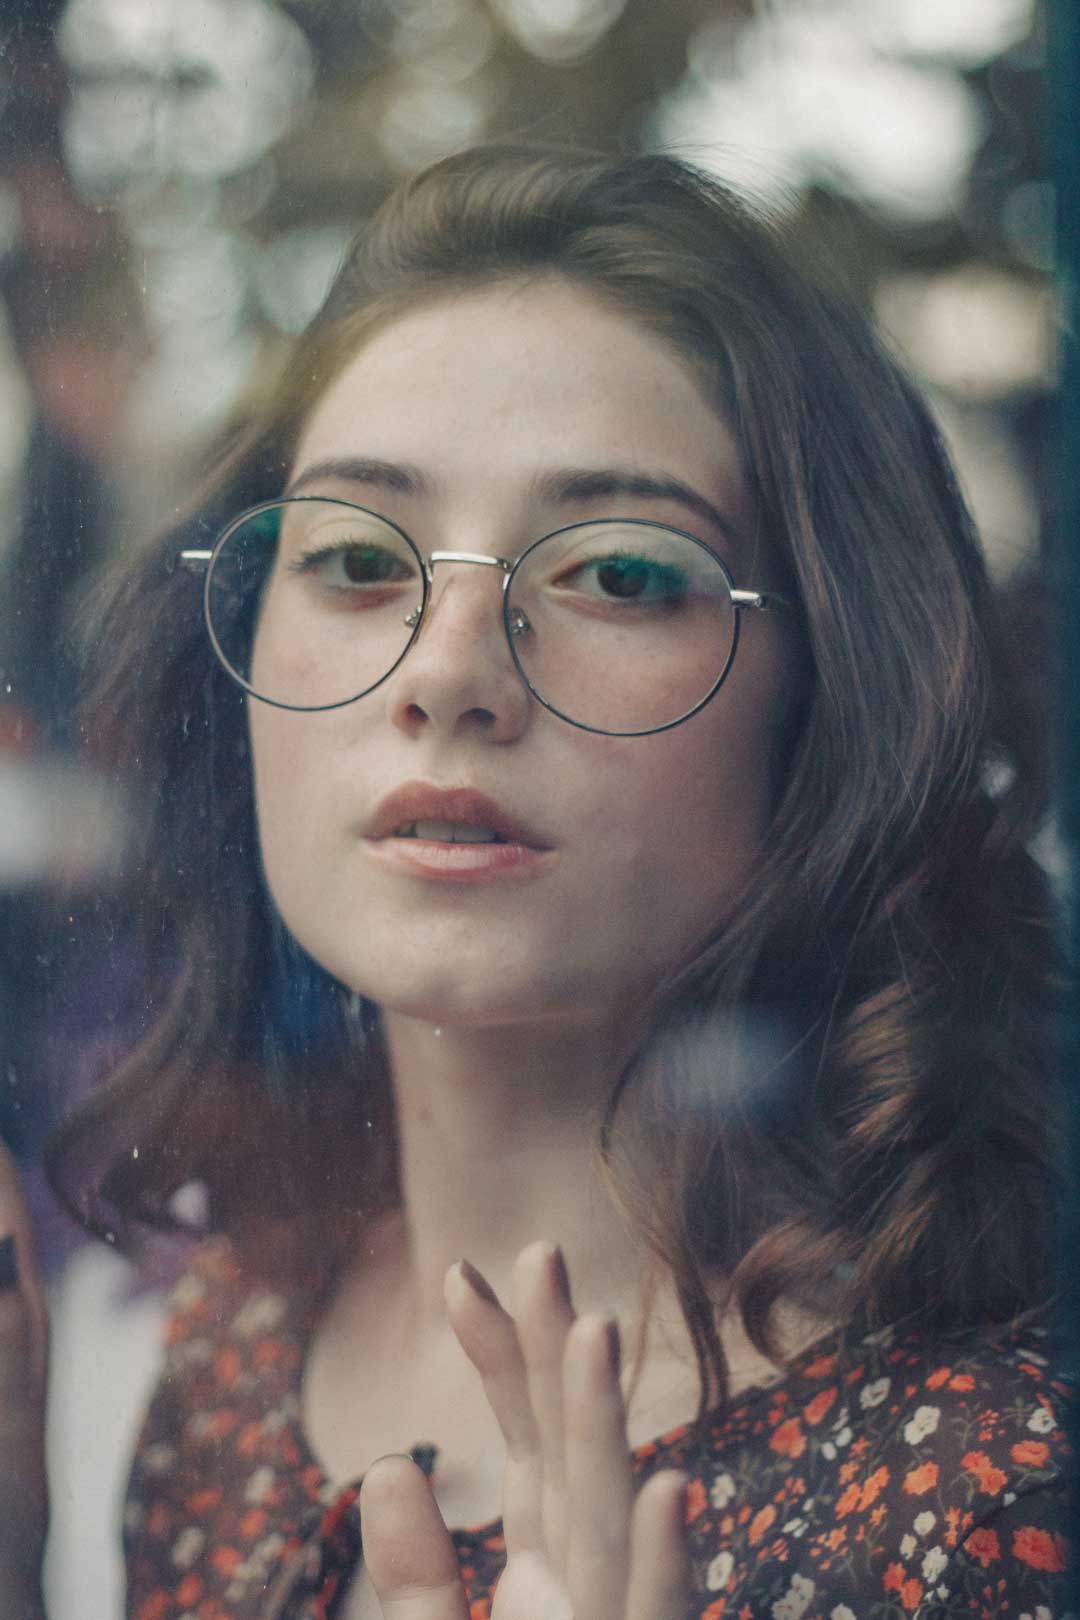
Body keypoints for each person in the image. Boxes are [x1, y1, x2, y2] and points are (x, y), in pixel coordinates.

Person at [0, 144, 1071, 1620]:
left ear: (835, 704)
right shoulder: (238, 1353)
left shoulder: (988, 1488)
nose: (448, 674)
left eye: (619, 573)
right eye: (359, 559)